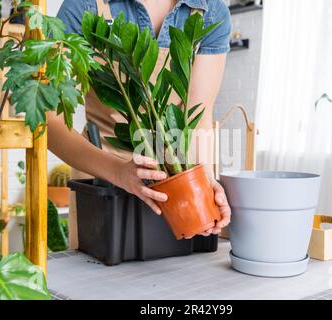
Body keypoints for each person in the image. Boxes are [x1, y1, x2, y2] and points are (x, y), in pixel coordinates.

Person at [52, 0, 232, 248]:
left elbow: (199, 115)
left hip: (174, 184)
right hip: (104, 184)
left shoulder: (210, 11)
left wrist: (203, 181)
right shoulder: (85, 6)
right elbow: (48, 122)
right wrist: (118, 172)